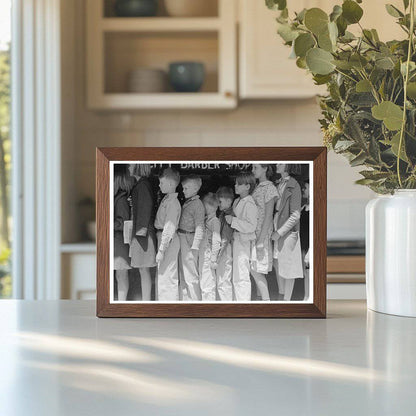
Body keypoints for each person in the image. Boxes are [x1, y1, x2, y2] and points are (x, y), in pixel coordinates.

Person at [272, 164, 303, 301]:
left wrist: (280, 232)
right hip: (276, 226)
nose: (277, 164)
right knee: (277, 262)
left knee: (288, 266)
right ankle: (281, 295)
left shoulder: (293, 185)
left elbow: (295, 215)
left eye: (281, 162)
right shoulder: (277, 184)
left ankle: (287, 301)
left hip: (288, 231)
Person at [226, 171, 258, 302]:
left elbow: (251, 226)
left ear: (247, 186)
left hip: (243, 241)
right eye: (235, 183)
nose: (235, 186)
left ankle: (243, 303)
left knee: (242, 274)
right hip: (236, 239)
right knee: (236, 274)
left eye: (239, 184)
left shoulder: (250, 203)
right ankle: (236, 301)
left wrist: (233, 221)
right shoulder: (238, 201)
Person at [128, 163, 157, 301]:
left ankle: (146, 301)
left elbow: (146, 208)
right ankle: (146, 300)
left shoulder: (143, 185)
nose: (128, 166)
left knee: (144, 269)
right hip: (142, 234)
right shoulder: (142, 184)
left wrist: (140, 232)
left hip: (142, 235)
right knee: (143, 269)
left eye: (130, 164)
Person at [251, 164, 278, 301]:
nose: (252, 170)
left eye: (255, 168)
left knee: (257, 269)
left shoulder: (269, 188)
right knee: (254, 268)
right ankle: (260, 300)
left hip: (261, 233)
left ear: (265, 168)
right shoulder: (257, 187)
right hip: (254, 232)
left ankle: (266, 301)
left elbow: (268, 216)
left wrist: (261, 240)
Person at [154, 168, 182, 301]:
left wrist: (161, 249)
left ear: (171, 184)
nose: (159, 185)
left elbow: (169, 227)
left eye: (162, 183)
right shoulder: (167, 199)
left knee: (168, 276)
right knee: (164, 275)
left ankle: (169, 306)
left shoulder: (172, 203)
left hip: (168, 240)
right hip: (164, 238)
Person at [178, 174, 205, 301]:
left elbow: (200, 226)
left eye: (186, 188)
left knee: (190, 273)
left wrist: (195, 246)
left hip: (189, 240)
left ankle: (195, 301)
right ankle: (186, 300)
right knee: (184, 272)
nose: (183, 191)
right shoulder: (189, 202)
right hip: (183, 238)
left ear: (195, 189)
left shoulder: (198, 204)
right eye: (183, 188)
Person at [113, 165, 133, 301]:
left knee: (121, 275)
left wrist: (109, 224)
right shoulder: (120, 197)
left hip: (120, 242)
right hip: (118, 241)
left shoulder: (120, 199)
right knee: (120, 275)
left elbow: (123, 222)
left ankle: (121, 302)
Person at [199, 193, 221, 301]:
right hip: (203, 254)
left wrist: (213, 258)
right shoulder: (206, 220)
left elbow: (217, 241)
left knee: (208, 283)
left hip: (209, 255)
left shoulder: (215, 221)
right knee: (204, 281)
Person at [215, 186, 234, 301]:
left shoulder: (228, 216)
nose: (218, 204)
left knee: (224, 280)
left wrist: (218, 256)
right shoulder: (223, 214)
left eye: (220, 201)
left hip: (224, 250)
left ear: (228, 201)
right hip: (223, 249)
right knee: (222, 279)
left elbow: (225, 238)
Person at [300, 180, 310, 301]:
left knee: (309, 272)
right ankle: (306, 296)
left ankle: (308, 297)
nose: (304, 190)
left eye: (306, 188)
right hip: (303, 246)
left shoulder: (315, 209)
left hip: (309, 247)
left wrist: (310, 251)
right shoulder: (304, 208)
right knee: (305, 273)